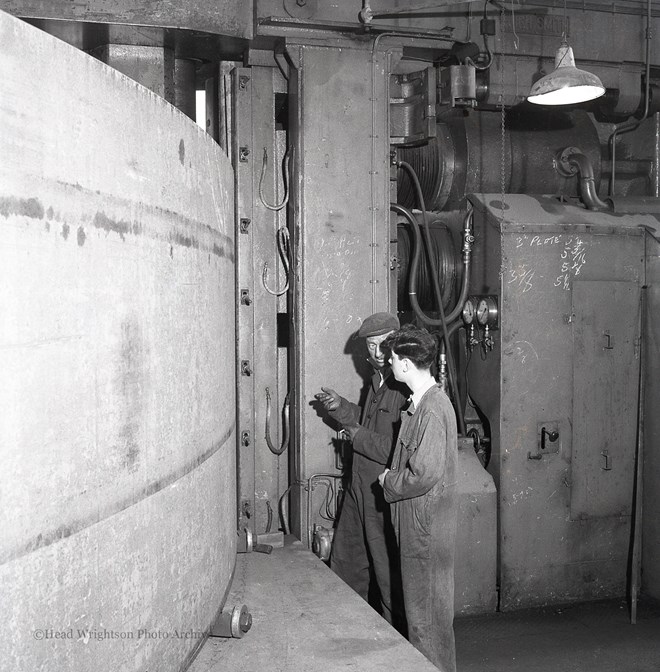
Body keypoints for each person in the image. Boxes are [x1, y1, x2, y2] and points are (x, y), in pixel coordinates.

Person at [315, 312, 408, 632]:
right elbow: (366, 423)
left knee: (385, 573)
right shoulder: (378, 380)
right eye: (371, 345)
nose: (377, 352)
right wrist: (340, 407)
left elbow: (400, 449)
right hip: (359, 488)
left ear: (398, 342)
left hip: (382, 494)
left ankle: (396, 644)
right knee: (347, 561)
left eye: (384, 344)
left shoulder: (404, 387)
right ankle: (346, 632)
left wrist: (358, 436)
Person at [377, 324, 458, 672]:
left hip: (424, 533)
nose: (389, 364)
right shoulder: (422, 404)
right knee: (427, 620)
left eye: (392, 359)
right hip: (421, 528)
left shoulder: (431, 410)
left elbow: (423, 473)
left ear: (407, 364)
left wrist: (388, 480)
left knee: (425, 624)